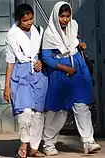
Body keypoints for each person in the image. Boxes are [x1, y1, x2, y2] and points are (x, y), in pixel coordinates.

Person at [41, 1, 101, 156]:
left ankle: (88, 141)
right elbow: (47, 57)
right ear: (56, 16)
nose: (65, 20)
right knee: (59, 110)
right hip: (61, 72)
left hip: (77, 68)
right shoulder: (49, 34)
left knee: (82, 106)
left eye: (67, 16)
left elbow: (73, 42)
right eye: (62, 16)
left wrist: (79, 46)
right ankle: (48, 143)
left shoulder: (73, 25)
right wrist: (65, 68)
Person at [3, 3, 48, 158]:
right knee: (25, 112)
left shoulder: (39, 31)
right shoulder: (12, 35)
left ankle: (34, 148)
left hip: (38, 74)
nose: (29, 23)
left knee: (38, 113)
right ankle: (23, 144)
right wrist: (7, 85)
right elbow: (10, 61)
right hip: (20, 74)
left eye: (31, 19)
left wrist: (41, 61)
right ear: (18, 20)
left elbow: (44, 52)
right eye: (25, 20)